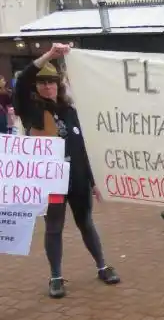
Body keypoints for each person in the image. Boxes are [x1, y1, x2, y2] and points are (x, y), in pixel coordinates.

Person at [13, 43, 121, 298]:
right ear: (36, 87)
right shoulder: (31, 111)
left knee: (86, 223)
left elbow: (83, 147)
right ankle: (56, 277)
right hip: (52, 184)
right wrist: (50, 55)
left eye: (51, 82)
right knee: (54, 227)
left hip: (78, 179)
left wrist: (94, 181)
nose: (47, 86)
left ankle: (102, 266)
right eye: (42, 83)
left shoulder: (70, 111)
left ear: (58, 84)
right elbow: (23, 81)